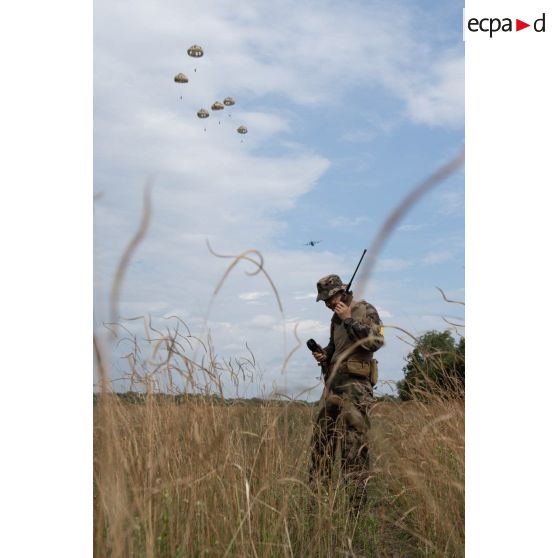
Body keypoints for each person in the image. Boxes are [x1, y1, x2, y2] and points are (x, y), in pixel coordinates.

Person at [308, 274, 384, 508]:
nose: (329, 303)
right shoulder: (335, 319)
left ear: (343, 290)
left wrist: (349, 319)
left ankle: (355, 509)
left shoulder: (363, 308)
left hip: (356, 388)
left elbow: (375, 342)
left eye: (331, 297)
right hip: (333, 386)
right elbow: (335, 348)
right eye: (325, 300)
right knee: (321, 443)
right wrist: (325, 354)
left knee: (353, 446)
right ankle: (317, 504)